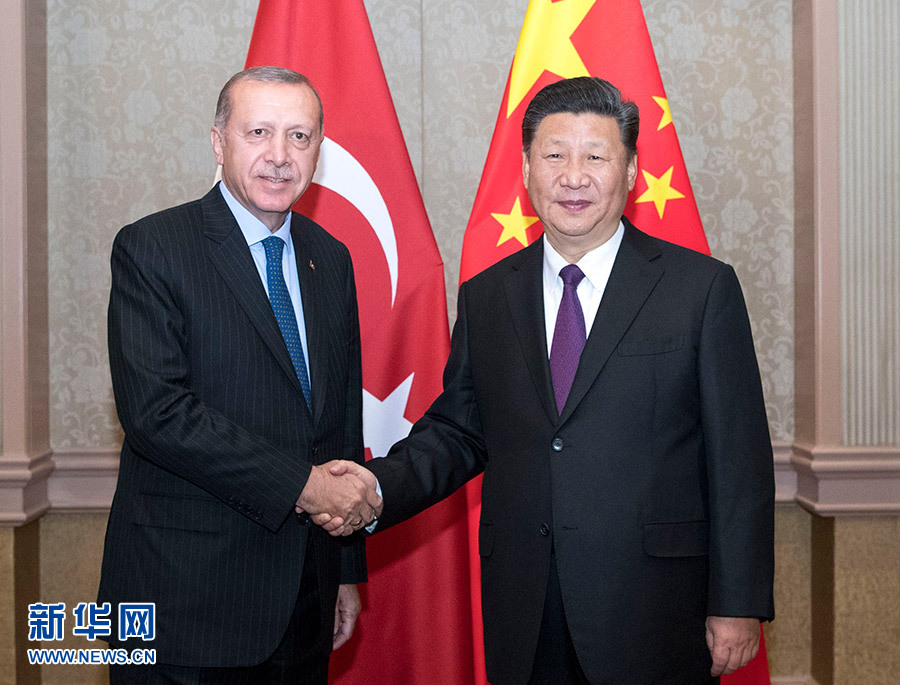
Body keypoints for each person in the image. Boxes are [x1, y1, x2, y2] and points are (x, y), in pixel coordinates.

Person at [322, 77, 775, 684]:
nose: (573, 177)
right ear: (527, 169)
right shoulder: (488, 296)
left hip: (656, 608)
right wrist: (375, 488)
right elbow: (459, 432)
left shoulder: (700, 289)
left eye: (596, 157)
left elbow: (738, 459)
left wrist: (738, 601)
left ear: (631, 171)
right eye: (555, 155)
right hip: (525, 606)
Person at [98, 66, 380, 683]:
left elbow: (339, 420)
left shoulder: (330, 258)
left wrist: (344, 570)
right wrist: (305, 487)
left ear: (318, 153)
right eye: (258, 132)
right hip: (184, 600)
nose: (279, 155)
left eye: (299, 137)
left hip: (305, 596)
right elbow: (157, 415)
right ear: (218, 142)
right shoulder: (154, 248)